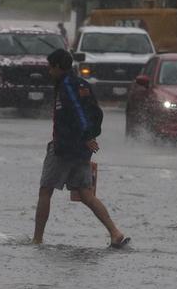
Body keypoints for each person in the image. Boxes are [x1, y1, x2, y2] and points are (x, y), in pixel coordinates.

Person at [33, 48, 129, 248]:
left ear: (58, 67)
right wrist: (90, 136)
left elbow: (78, 112)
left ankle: (37, 239)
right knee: (86, 194)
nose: (49, 72)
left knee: (45, 191)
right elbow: (97, 113)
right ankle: (115, 233)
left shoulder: (67, 85)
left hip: (65, 148)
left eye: (50, 68)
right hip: (81, 151)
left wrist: (86, 135)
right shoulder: (82, 85)